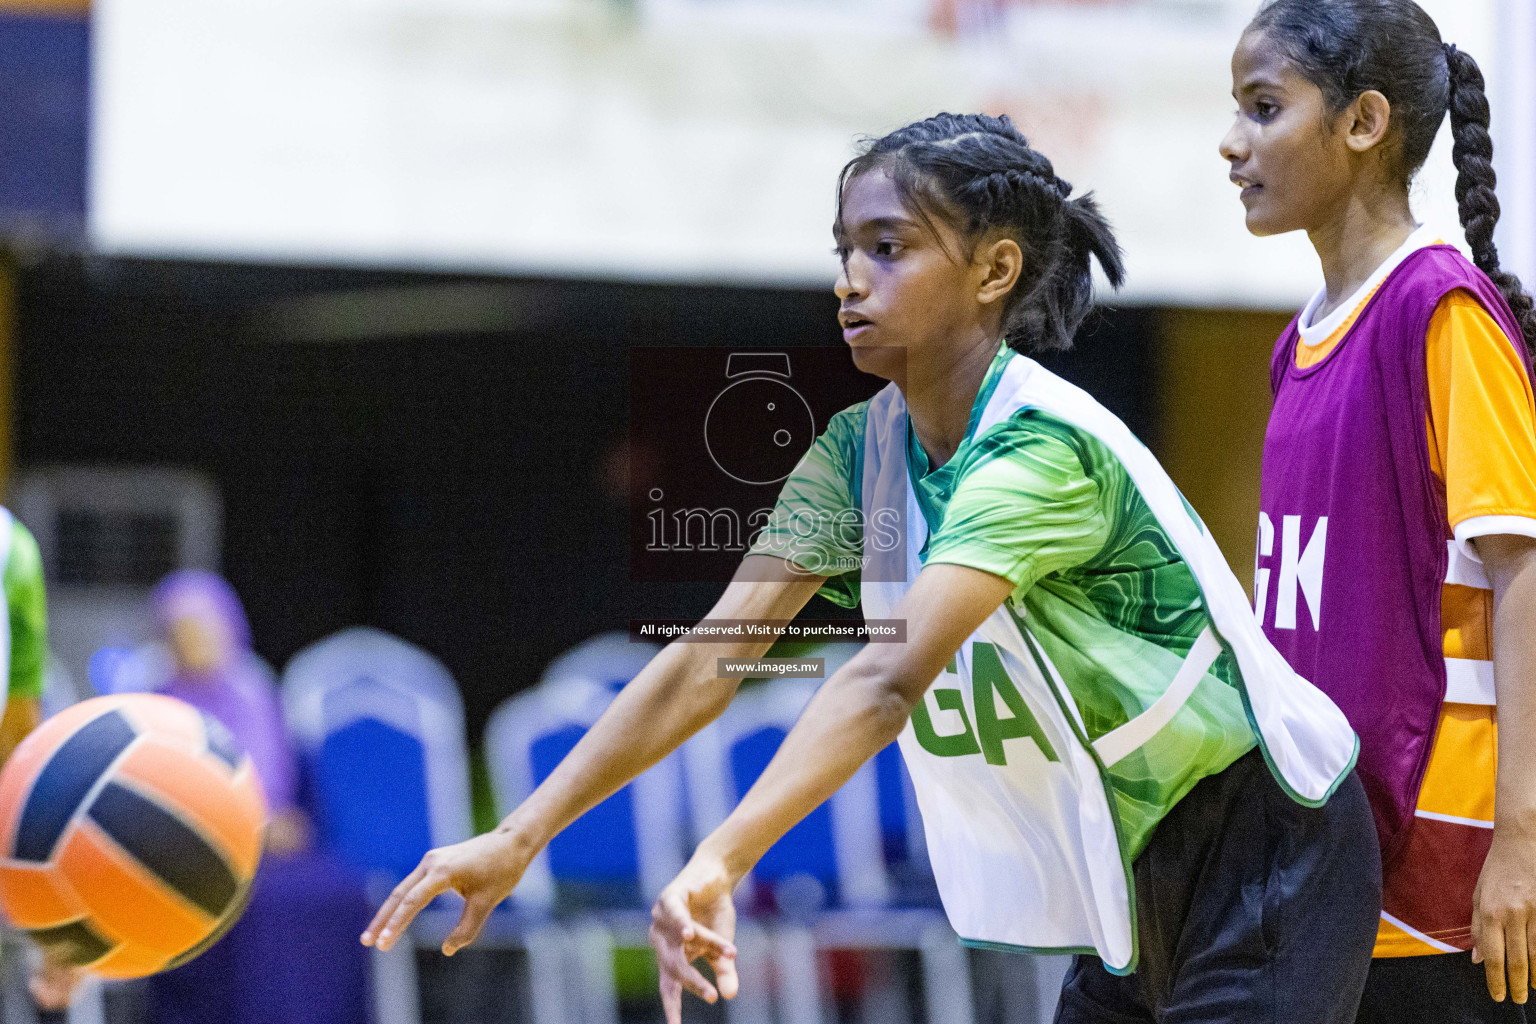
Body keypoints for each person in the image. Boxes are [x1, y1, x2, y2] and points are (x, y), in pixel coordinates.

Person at [364, 114, 1380, 1024]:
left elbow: (886, 680)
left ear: (993, 272)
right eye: (844, 249)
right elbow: (709, 660)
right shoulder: (859, 452)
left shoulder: (1038, 449)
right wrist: (521, 832)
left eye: (887, 248)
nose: (849, 278)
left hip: (1263, 840)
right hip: (1127, 849)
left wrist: (721, 857)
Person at [1220, 2, 1536, 1020]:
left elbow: (1525, 577)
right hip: (1332, 859)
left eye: (1264, 108)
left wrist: (1522, 842)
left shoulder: (1438, 312)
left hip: (1447, 877)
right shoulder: (1297, 342)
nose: (1233, 143)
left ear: (1362, 122)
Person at [145, 571, 370, 1024]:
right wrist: (241, 827)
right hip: (190, 850)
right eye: (184, 634)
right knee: (250, 905)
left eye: (206, 630)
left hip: (268, 846)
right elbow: (155, 793)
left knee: (343, 894)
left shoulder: (254, 692)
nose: (197, 644)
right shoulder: (156, 705)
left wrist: (273, 823)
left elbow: (283, 787)